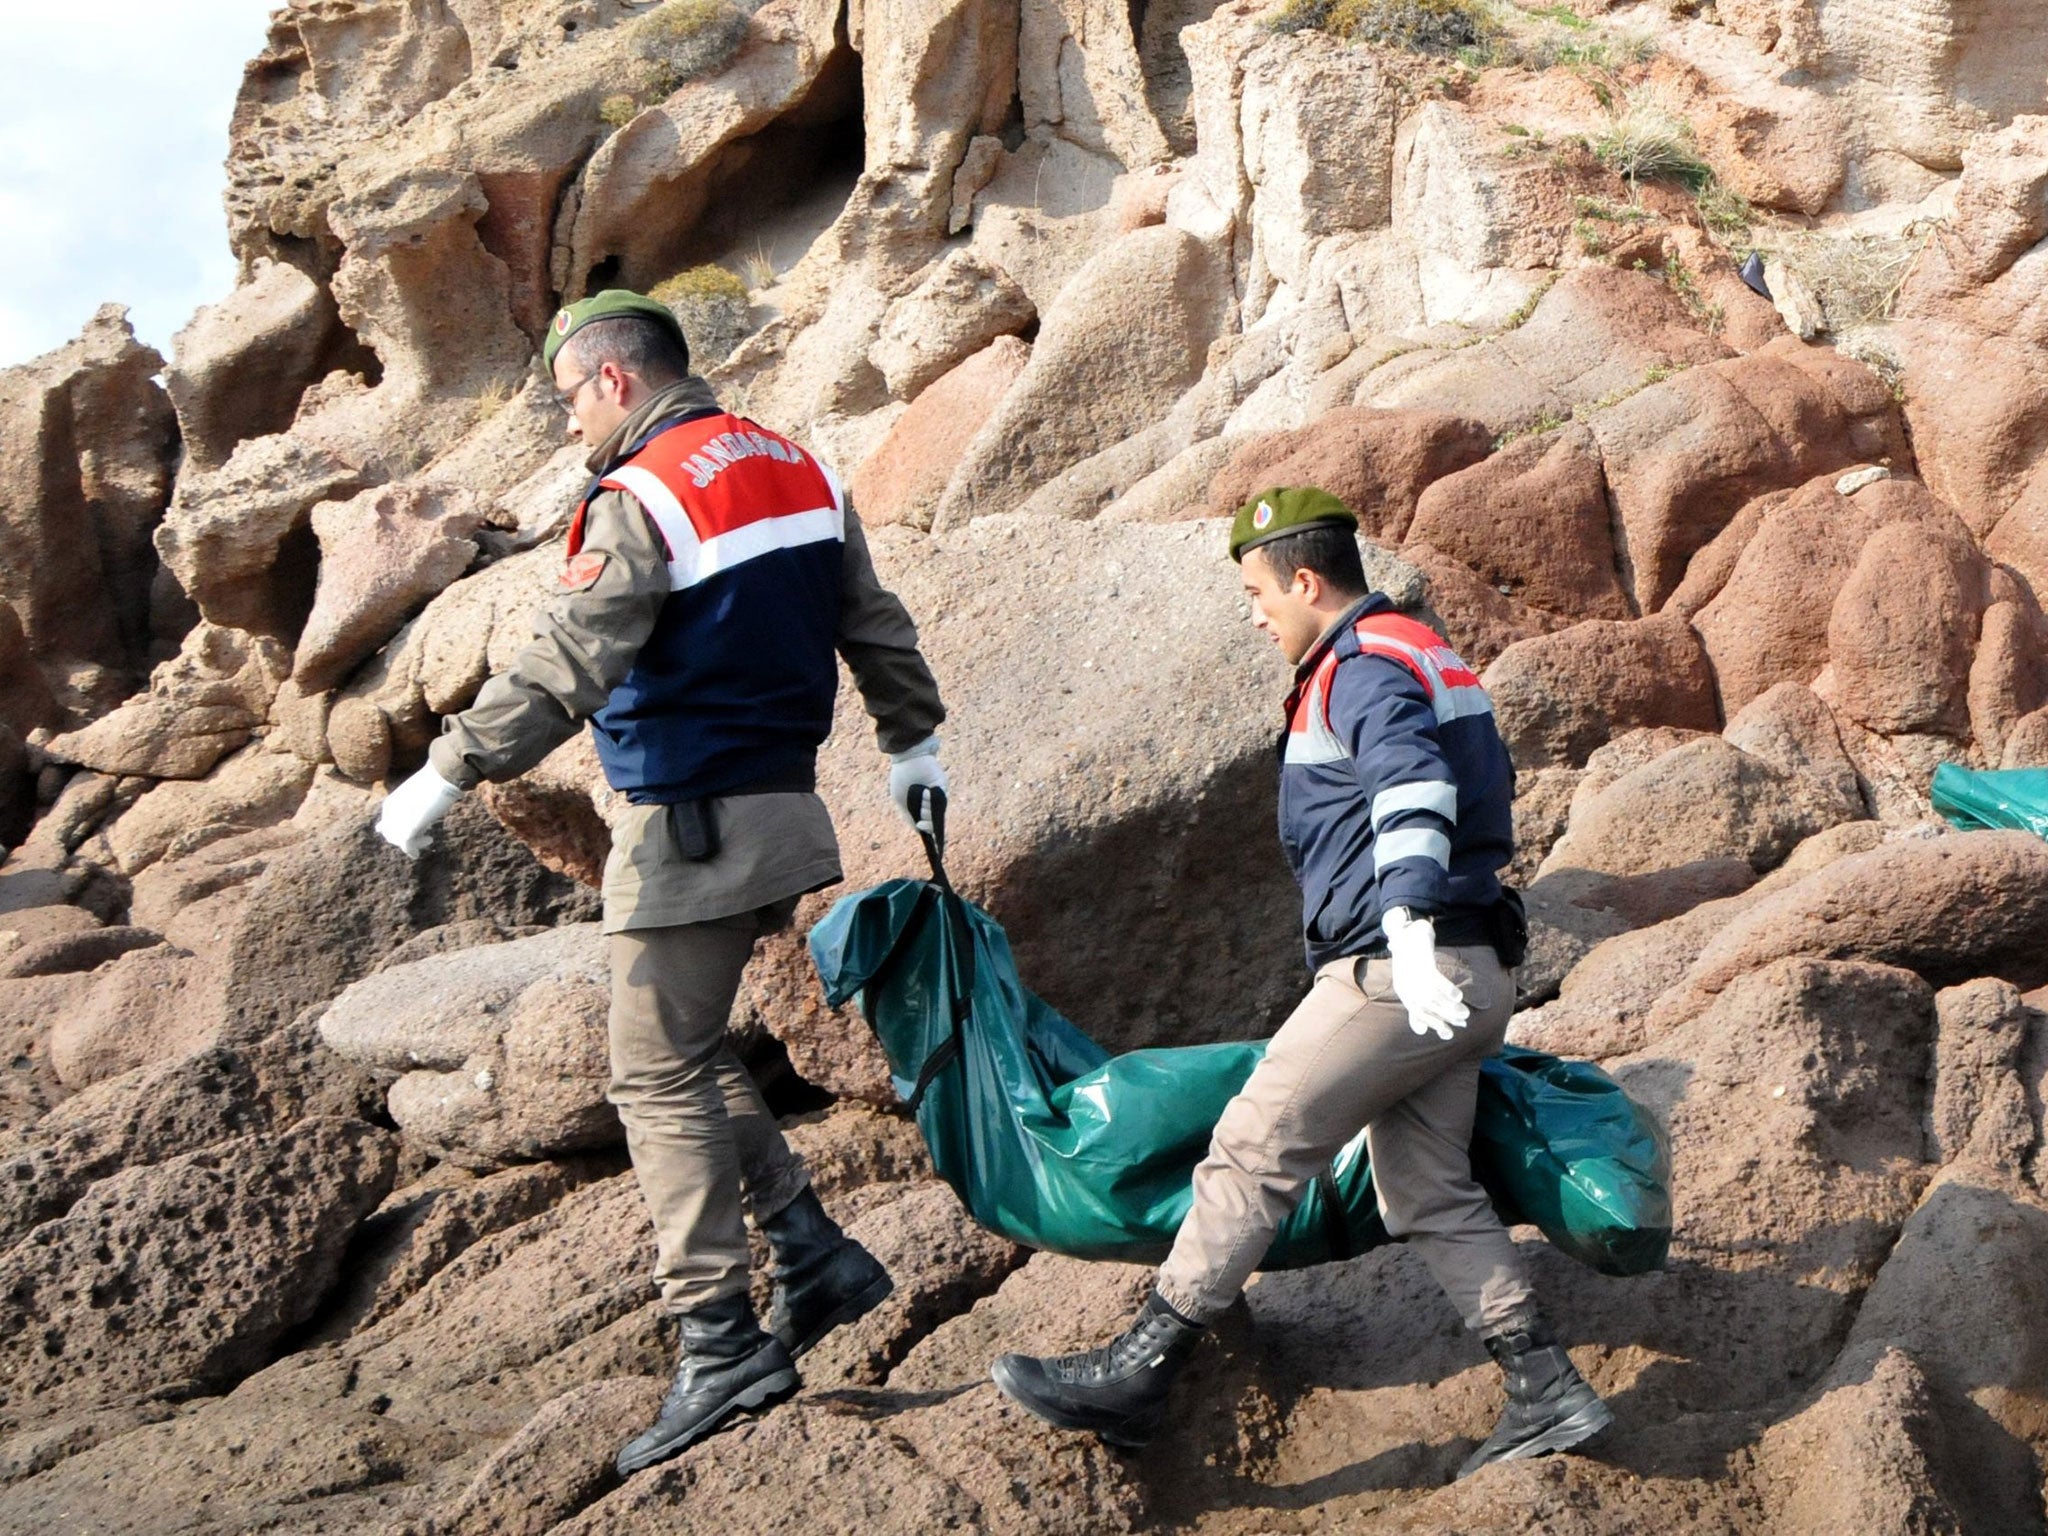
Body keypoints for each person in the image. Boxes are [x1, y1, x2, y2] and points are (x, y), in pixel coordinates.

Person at [373, 289, 950, 1476]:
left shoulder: (639, 492)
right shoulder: (795, 464)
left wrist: (444, 770)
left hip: (692, 825)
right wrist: (912, 746)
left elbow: (570, 658)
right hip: (786, 814)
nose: (570, 428)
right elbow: (873, 623)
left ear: (614, 381)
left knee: (648, 1069)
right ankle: (808, 1249)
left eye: (568, 402)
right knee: (679, 1050)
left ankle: (722, 1340)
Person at [988, 486, 1610, 1478]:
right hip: (1469, 967)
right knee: (1426, 1189)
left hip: (1401, 969)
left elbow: (1412, 786)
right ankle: (1543, 1389)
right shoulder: (1423, 648)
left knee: (1251, 1143)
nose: (1254, 613)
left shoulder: (1359, 668)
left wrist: (1403, 924)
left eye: (1255, 591)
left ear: (1306, 581)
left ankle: (1141, 1372)